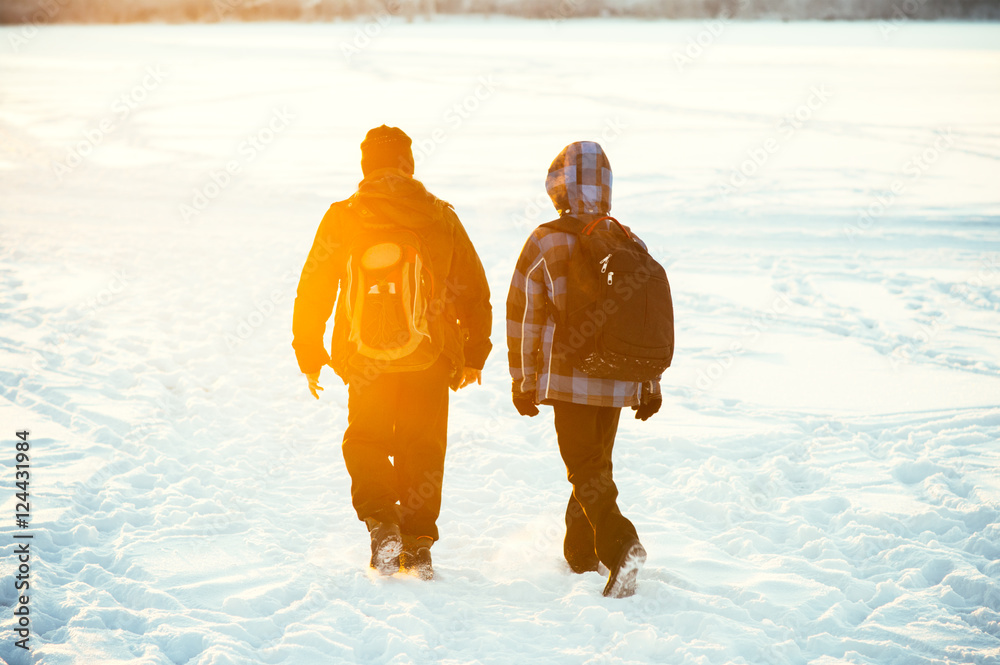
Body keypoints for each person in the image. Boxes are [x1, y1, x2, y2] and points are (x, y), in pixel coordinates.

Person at [292, 125, 492, 580]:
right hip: (431, 354)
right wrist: (475, 352)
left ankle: (382, 523)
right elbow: (473, 289)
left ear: (366, 167)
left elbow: (314, 288)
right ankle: (418, 543)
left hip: (364, 358)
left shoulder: (343, 216)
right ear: (409, 165)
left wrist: (309, 350)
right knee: (423, 444)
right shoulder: (440, 215)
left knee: (366, 438)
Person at [506, 141, 663, 598]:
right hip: (619, 377)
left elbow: (524, 314)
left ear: (558, 189)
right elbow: (646, 322)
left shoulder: (546, 238)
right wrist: (648, 384)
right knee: (596, 465)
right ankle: (580, 552)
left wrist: (523, 380)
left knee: (585, 470)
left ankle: (621, 546)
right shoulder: (630, 241)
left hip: (570, 379)